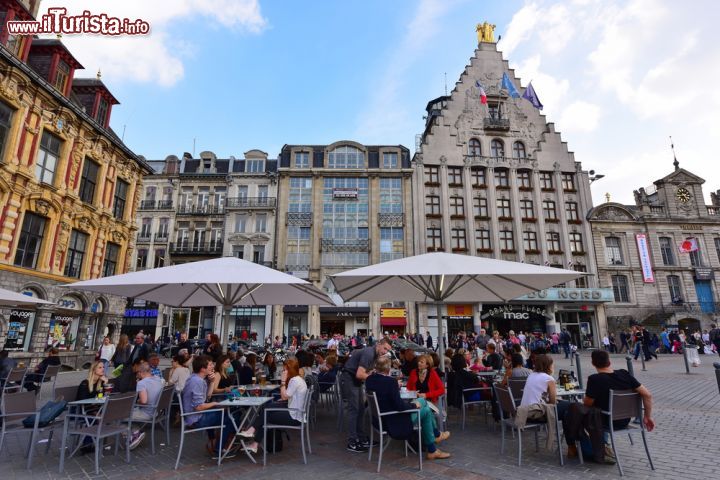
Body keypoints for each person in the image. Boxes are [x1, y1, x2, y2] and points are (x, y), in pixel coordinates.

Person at [568, 350, 655, 461]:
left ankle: (593, 450)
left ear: (593, 363)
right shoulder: (625, 374)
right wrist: (648, 416)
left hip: (605, 422)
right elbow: (647, 395)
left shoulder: (595, 379)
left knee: (574, 414)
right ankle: (603, 444)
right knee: (596, 412)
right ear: (609, 362)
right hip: (624, 420)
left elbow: (587, 403)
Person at [366, 356, 450, 459]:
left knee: (423, 402)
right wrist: (414, 405)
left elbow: (383, 390)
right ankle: (434, 444)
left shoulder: (369, 379)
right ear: (388, 369)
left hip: (379, 419)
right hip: (394, 420)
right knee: (426, 410)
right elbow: (400, 406)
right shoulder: (390, 382)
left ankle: (435, 441)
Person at [240, 357, 308, 453]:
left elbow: (284, 396)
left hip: (294, 416)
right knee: (265, 407)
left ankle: (252, 435)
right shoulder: (298, 379)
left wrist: (283, 381)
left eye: (284, 369)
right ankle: (253, 439)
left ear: (289, 369)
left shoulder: (294, 381)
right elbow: (287, 397)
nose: (283, 372)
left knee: (267, 414)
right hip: (294, 411)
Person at [340, 337, 392, 452]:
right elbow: (359, 374)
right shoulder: (369, 352)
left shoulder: (375, 355)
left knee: (361, 409)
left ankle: (362, 438)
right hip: (349, 378)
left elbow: (365, 372)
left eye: (387, 350)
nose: (385, 352)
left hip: (354, 379)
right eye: (384, 348)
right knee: (354, 409)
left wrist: (373, 374)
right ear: (379, 344)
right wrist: (377, 380)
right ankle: (352, 442)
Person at [181, 355, 232, 457]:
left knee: (226, 414)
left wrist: (212, 382)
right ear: (202, 369)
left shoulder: (197, 378)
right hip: (196, 419)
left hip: (195, 416)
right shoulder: (197, 381)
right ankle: (219, 449)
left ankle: (215, 443)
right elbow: (199, 407)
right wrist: (215, 404)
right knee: (231, 418)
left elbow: (207, 397)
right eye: (210, 365)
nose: (212, 366)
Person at [128, 361, 164, 449]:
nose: (137, 375)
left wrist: (138, 401)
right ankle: (136, 431)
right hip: (157, 411)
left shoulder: (141, 383)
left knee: (117, 416)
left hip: (147, 413)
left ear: (140, 372)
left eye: (137, 373)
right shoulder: (157, 378)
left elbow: (144, 401)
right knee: (129, 412)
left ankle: (135, 433)